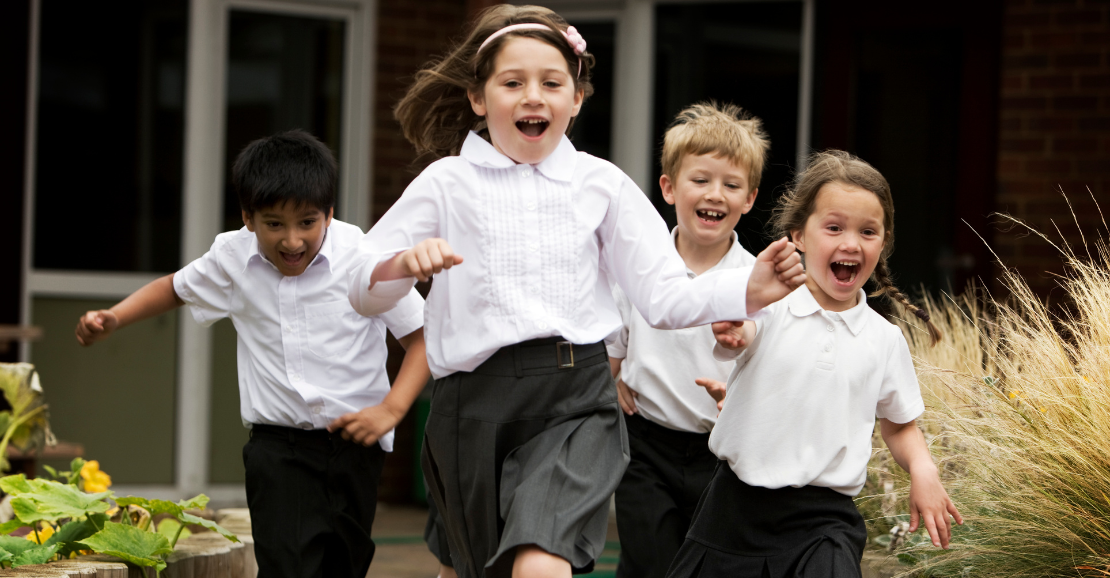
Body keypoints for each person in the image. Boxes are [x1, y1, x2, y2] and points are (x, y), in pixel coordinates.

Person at [345, 5, 806, 578]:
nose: (533, 96)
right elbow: (360, 291)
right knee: (473, 570)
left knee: (540, 562)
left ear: (577, 98)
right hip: (472, 405)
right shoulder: (446, 182)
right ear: (479, 99)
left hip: (575, 401)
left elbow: (662, 299)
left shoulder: (602, 184)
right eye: (513, 83)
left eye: (551, 83)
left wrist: (749, 290)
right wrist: (399, 265)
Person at [74, 130, 430, 578]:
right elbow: (174, 288)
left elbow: (422, 336)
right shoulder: (232, 257)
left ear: (330, 214)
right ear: (248, 218)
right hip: (277, 447)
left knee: (343, 565)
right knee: (287, 566)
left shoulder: (362, 258)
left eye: (307, 222)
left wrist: (391, 410)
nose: (293, 240)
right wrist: (115, 317)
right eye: (274, 224)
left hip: (355, 445)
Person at [667, 150, 963, 578]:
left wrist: (923, 468)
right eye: (834, 227)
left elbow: (899, 425)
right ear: (799, 236)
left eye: (867, 231)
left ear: (883, 244)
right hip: (735, 511)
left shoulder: (884, 340)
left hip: (824, 521)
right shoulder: (769, 304)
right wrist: (733, 330)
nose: (850, 242)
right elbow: (743, 333)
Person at [607, 101, 768, 578]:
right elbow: (614, 342)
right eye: (701, 180)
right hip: (645, 445)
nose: (714, 194)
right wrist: (609, 378)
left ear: (750, 199)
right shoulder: (641, 268)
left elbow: (769, 359)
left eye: (731, 185)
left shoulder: (757, 278)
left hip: (720, 454)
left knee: (707, 565)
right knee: (648, 558)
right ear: (669, 187)